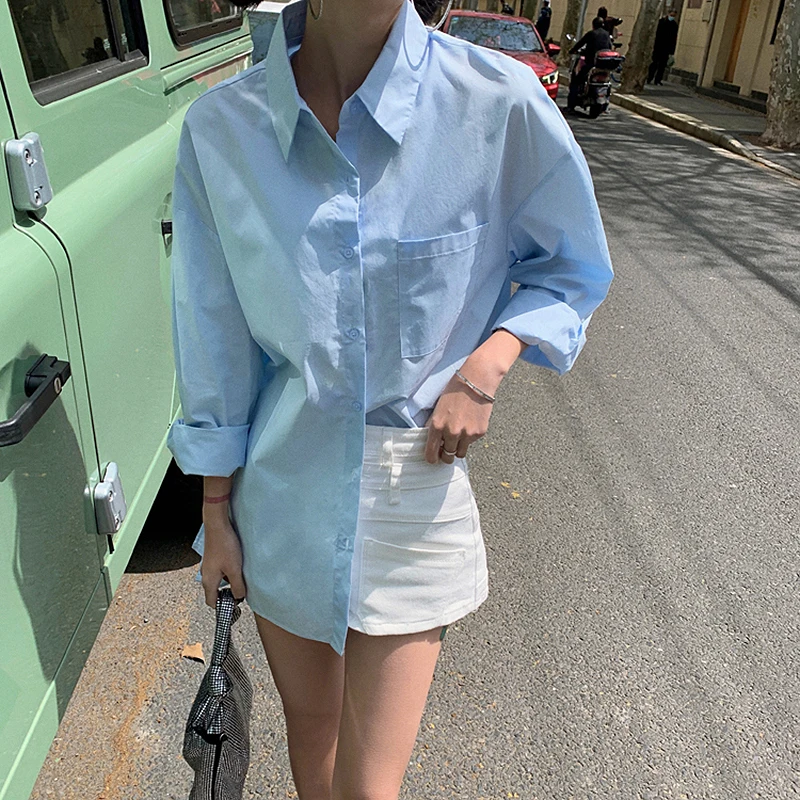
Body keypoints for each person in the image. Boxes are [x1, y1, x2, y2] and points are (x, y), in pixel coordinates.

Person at [167, 0, 613, 796]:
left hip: (413, 485)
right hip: (286, 486)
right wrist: (215, 510)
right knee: (312, 732)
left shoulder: (493, 102)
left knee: (370, 786)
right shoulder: (222, 129)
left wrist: (485, 366)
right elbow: (214, 331)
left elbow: (571, 265)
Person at [567, 15, 613, 110]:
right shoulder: (607, 34)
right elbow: (609, 47)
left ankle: (570, 105)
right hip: (604, 66)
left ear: (593, 25)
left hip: (591, 64)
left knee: (576, 80)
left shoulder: (591, 34)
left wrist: (572, 50)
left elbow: (580, 43)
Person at [648, 10, 678, 85]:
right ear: (668, 14)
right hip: (658, 46)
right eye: (671, 15)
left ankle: (658, 80)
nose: (672, 17)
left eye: (674, 16)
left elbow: (674, 38)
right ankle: (649, 77)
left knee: (662, 65)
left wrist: (672, 51)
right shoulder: (661, 22)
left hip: (666, 49)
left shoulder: (674, 25)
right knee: (654, 63)